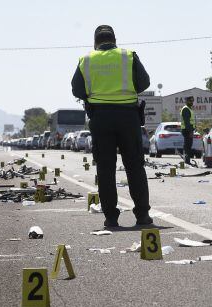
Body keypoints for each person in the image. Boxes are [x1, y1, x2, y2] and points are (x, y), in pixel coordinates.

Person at [71, 25, 152, 228]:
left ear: (95, 42)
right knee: (135, 167)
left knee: (106, 169)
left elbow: (77, 89)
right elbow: (144, 83)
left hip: (100, 118)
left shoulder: (86, 60)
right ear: (115, 40)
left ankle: (111, 217)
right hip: (128, 117)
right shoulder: (128, 56)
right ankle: (142, 215)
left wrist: (96, 94)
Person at [180, 96, 196, 165]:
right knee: (187, 145)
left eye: (192, 101)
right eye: (190, 101)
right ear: (186, 101)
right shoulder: (186, 109)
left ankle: (187, 160)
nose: (191, 102)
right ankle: (187, 160)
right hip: (187, 130)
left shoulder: (189, 109)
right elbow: (187, 122)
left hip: (188, 130)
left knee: (188, 145)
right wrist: (190, 131)